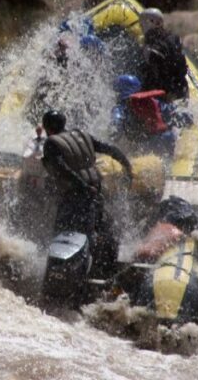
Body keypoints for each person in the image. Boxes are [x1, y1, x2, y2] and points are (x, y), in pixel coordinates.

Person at [41, 108, 133, 275]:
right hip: (96, 192)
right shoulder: (82, 136)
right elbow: (111, 149)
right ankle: (105, 271)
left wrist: (82, 186)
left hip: (75, 196)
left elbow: (62, 169)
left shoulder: (51, 143)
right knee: (98, 230)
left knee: (65, 236)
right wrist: (127, 165)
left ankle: (72, 278)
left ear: (46, 128)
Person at [110, 74, 193, 156]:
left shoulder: (120, 110)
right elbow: (179, 115)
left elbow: (115, 131)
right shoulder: (152, 102)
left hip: (146, 148)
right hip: (166, 141)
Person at [139, 8, 189, 101]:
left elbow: (153, 70)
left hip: (166, 95)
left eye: (141, 25)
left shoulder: (153, 46)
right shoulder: (173, 38)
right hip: (181, 90)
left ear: (148, 23)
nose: (141, 28)